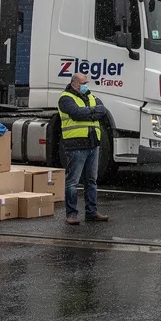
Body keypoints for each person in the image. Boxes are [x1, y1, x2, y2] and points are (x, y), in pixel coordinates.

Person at [58, 72, 110, 225]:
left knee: (91, 180)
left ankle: (91, 212)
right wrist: (93, 113)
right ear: (75, 84)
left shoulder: (91, 97)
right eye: (84, 83)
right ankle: (71, 214)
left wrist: (89, 113)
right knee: (73, 181)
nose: (86, 85)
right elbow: (76, 114)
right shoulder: (66, 98)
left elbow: (103, 111)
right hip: (76, 144)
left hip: (92, 143)